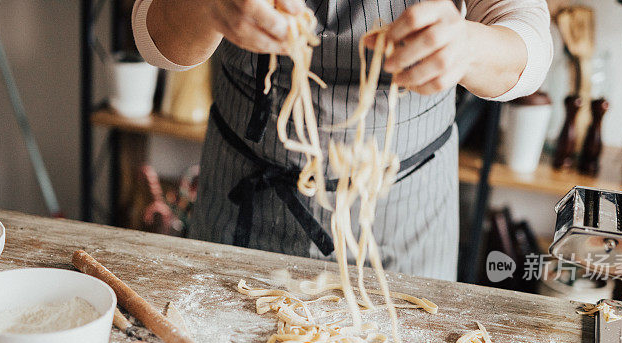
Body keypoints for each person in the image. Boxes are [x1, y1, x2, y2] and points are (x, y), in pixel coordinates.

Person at [133, 0, 552, 280]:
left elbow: (527, 39)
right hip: (243, 195)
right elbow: (154, 34)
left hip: (402, 212)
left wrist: (469, 46)